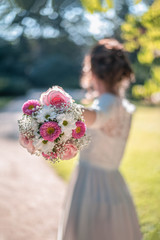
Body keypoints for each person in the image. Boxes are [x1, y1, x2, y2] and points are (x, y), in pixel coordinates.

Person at [58, 38, 142, 240]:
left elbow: (98, 117)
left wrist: (59, 110)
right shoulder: (123, 105)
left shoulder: (107, 103)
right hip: (113, 183)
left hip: (92, 187)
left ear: (92, 71)